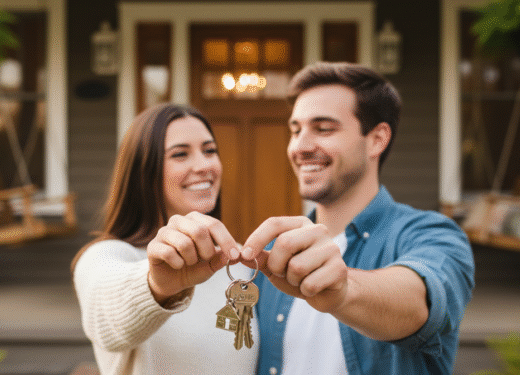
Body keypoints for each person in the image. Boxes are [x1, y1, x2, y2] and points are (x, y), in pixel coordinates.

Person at [236, 62, 475, 374]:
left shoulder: (432, 234)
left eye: (323, 129)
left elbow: (419, 303)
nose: (301, 146)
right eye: (295, 130)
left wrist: (343, 290)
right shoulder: (275, 253)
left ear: (377, 139)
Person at [71, 103, 258, 375]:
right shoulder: (105, 256)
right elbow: (107, 318)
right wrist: (157, 285)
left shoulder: (240, 264)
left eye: (209, 151)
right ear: (144, 172)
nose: (204, 165)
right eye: (180, 154)